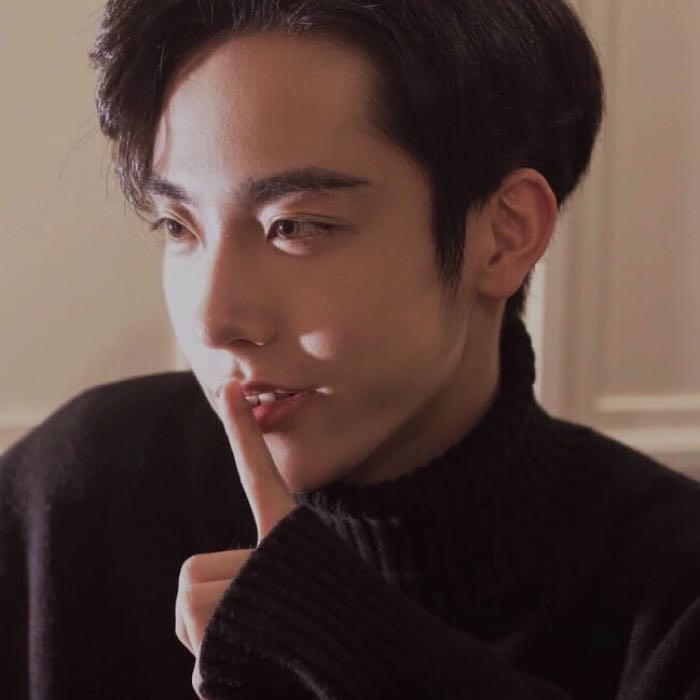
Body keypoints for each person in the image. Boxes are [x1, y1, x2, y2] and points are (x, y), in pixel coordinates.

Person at [1, 0, 699, 697]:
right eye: (178, 227)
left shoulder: (674, 586)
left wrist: (345, 646)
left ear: (504, 235)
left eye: (294, 226)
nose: (214, 321)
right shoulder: (74, 500)